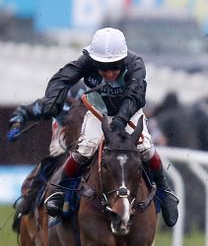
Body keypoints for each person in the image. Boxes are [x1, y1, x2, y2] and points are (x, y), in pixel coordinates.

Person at [37, 27, 179, 227]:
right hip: (98, 112)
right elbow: (62, 78)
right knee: (86, 148)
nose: (110, 73)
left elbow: (135, 96)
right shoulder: (85, 61)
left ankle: (164, 192)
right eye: (103, 68)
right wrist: (52, 99)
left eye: (115, 67)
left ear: (123, 61)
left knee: (146, 148)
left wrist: (120, 120)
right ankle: (61, 190)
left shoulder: (136, 64)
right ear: (94, 62)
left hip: (130, 111)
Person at [6, 89, 78, 231]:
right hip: (62, 153)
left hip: (91, 150)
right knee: (35, 181)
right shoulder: (59, 97)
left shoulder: (99, 95)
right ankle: (26, 210)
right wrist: (15, 125)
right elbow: (24, 111)